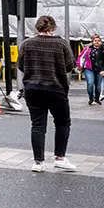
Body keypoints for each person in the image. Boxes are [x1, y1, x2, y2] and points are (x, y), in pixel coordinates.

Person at [18, 15, 76, 173]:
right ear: (53, 28)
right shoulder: (61, 43)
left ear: (37, 27)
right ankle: (60, 158)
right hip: (56, 88)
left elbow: (20, 65)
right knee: (63, 123)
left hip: (33, 89)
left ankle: (38, 162)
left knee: (37, 125)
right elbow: (70, 65)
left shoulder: (27, 44)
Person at [78, 34, 102, 106]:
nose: (97, 42)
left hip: (99, 70)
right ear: (92, 41)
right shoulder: (88, 49)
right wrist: (79, 65)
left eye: (98, 41)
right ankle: (91, 98)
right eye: (95, 41)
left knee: (98, 86)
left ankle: (97, 99)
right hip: (89, 69)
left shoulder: (103, 49)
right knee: (90, 83)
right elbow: (81, 57)